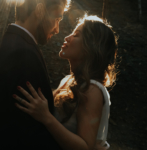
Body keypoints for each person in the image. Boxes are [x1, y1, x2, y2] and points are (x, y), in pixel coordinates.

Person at [12, 15, 118, 150]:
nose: (67, 37)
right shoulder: (68, 80)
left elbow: (85, 147)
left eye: (76, 35)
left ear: (90, 47)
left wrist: (46, 118)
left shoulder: (92, 90)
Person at [0, 0, 71, 149]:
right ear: (39, 10)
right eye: (57, 18)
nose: (57, 29)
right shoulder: (22, 53)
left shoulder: (15, 42)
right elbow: (26, 129)